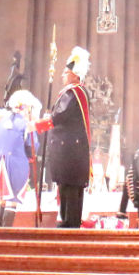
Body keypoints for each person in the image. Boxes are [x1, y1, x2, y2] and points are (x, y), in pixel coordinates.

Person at [36, 47, 91, 228]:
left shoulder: (74, 92)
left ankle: (69, 224)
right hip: (69, 152)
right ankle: (67, 221)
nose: (63, 75)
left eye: (66, 72)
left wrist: (39, 124)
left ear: (76, 74)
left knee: (70, 189)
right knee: (67, 188)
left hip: (70, 153)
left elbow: (60, 116)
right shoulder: (72, 92)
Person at [0, 89, 41, 227]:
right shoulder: (26, 125)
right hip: (17, 164)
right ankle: (5, 237)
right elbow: (32, 147)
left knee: (2, 200)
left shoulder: (0, 123)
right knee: (12, 201)